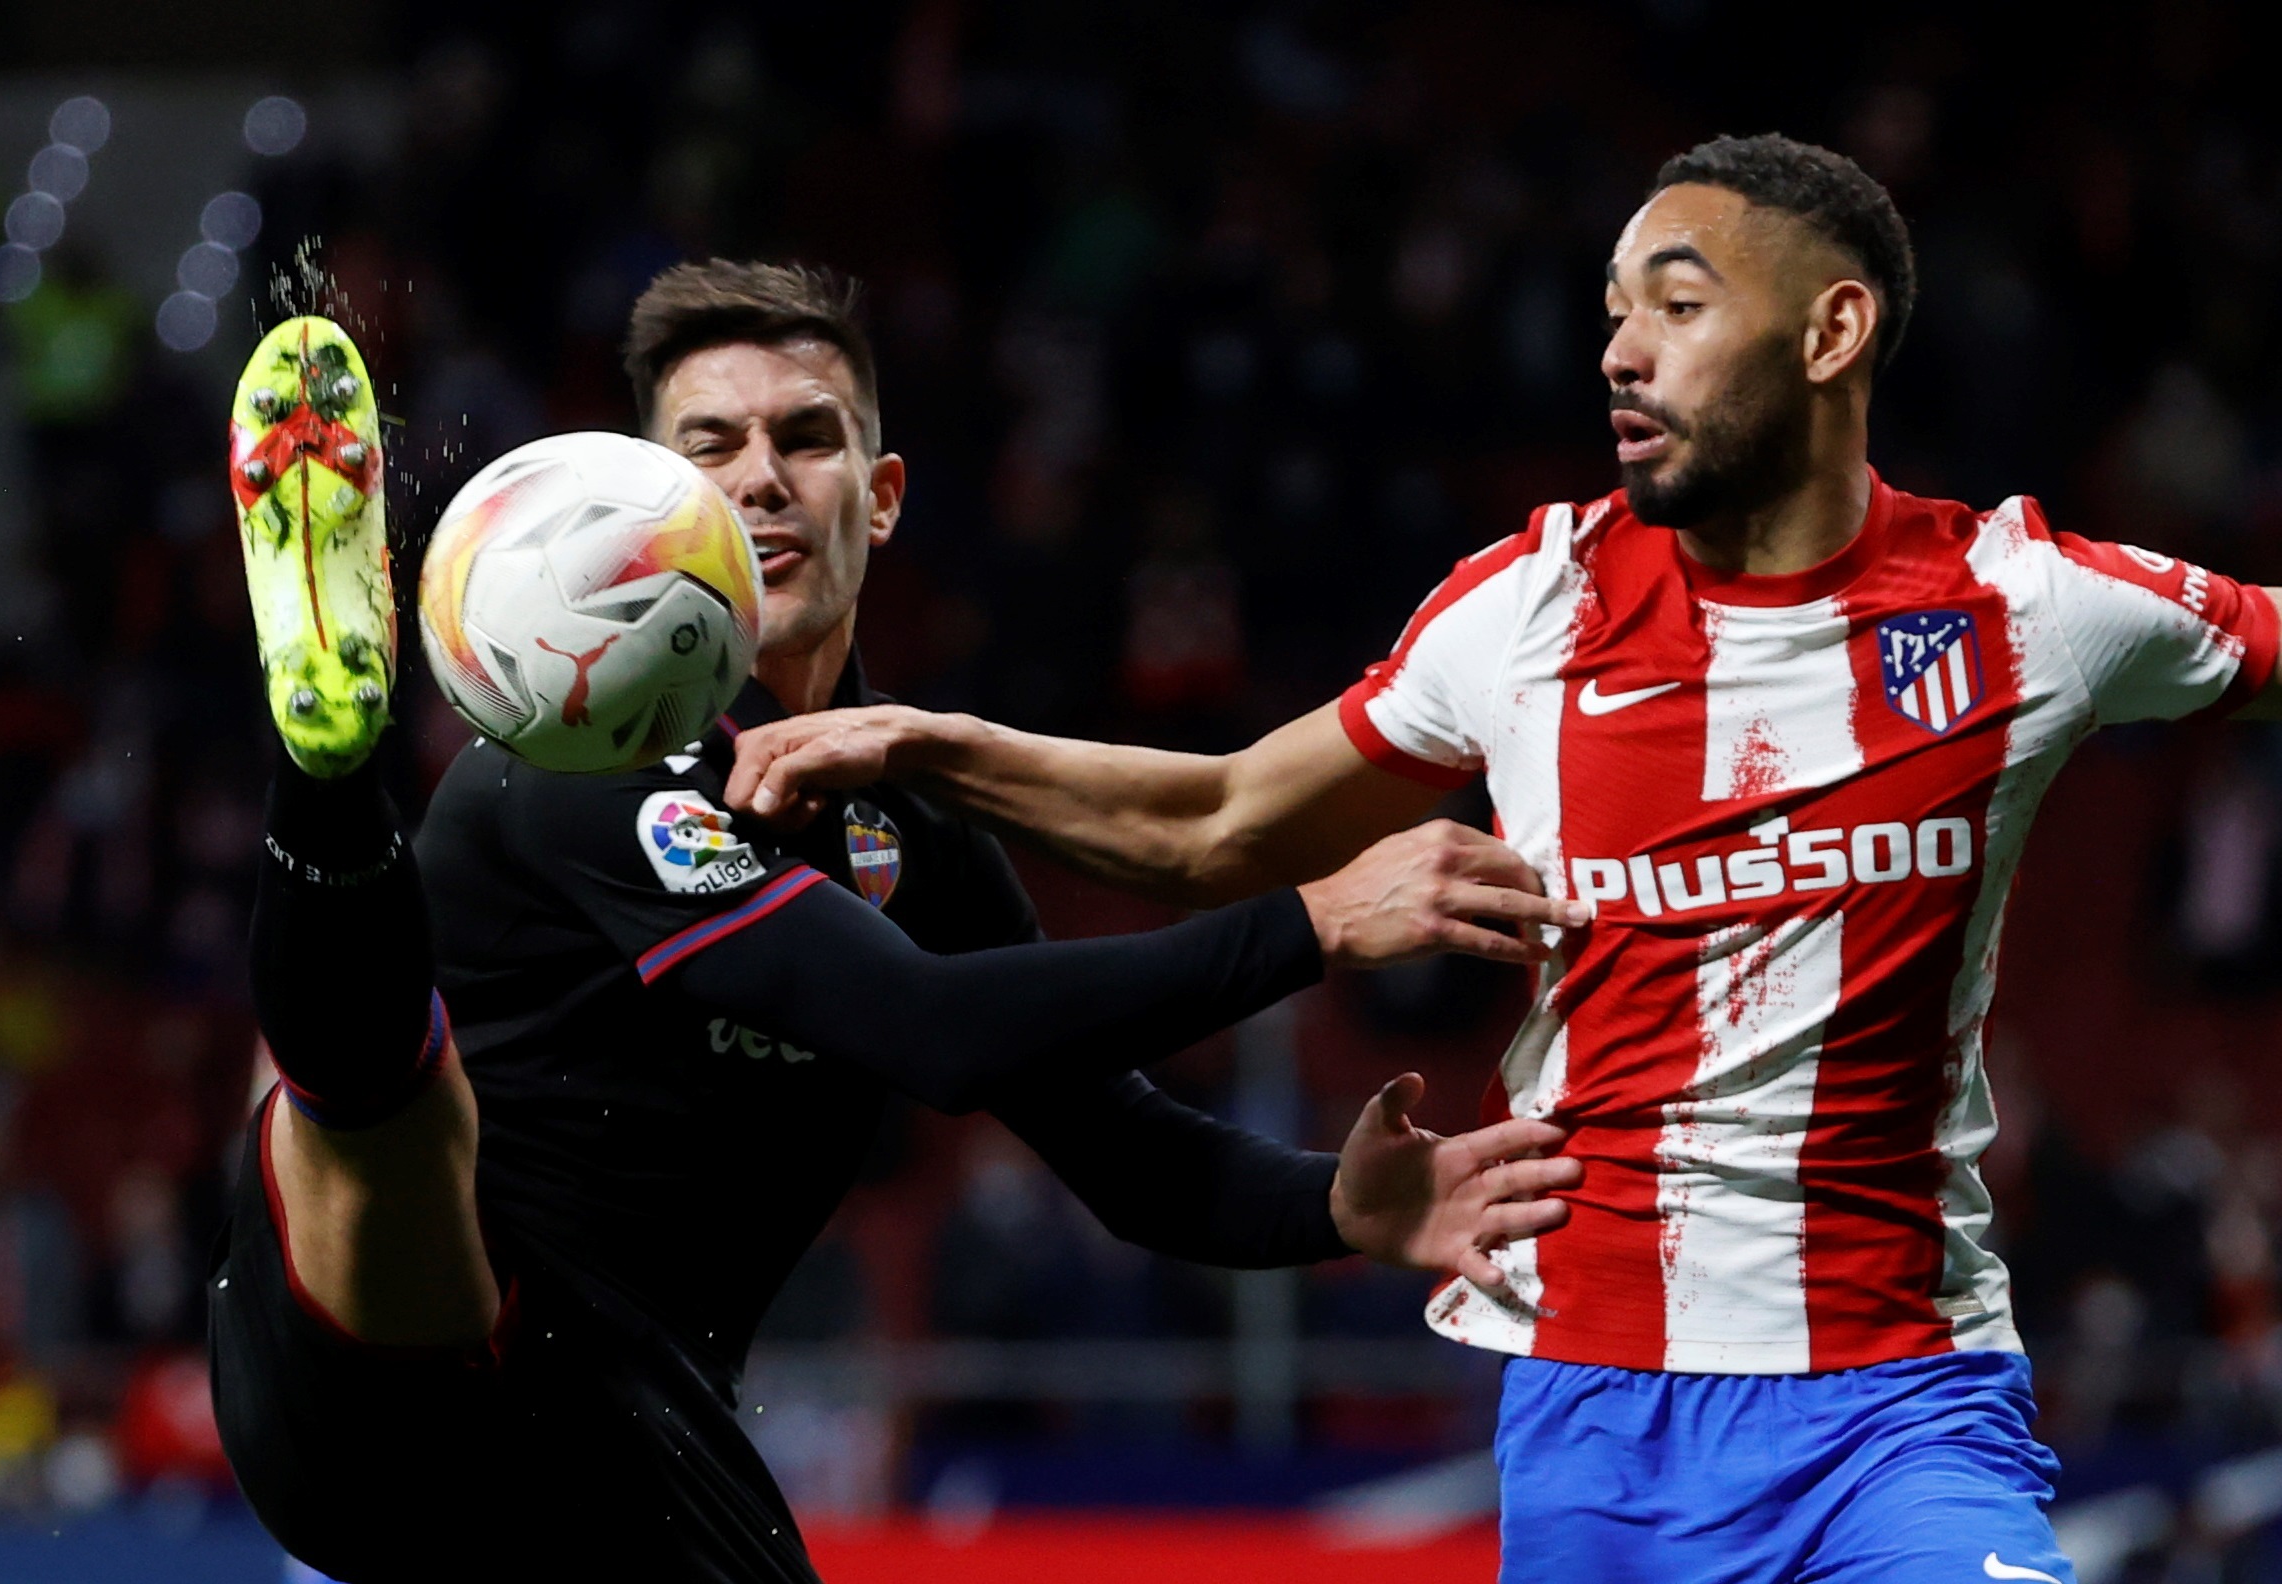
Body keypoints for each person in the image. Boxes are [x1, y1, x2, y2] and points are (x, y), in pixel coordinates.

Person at [730, 133, 2282, 1584]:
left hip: (1906, 1406)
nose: (1621, 352)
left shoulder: (2026, 606)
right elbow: (1215, 824)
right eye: (1613, 314)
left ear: (1832, 332)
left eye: (1678, 306)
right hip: (1599, 1417)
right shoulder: (1528, 607)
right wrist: (933, 746)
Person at [206, 282, 1580, 1582]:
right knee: (391, 1128)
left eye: (807, 438)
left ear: (882, 496)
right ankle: (328, 768)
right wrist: (1313, 921)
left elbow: (1129, 1157)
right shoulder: (563, 765)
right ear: (642, 493)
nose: (760, 478)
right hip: (371, 1367)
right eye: (710, 447)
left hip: (618, 1427)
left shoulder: (918, 837)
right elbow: (934, 1032)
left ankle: (333, 793)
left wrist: (1334, 1204)